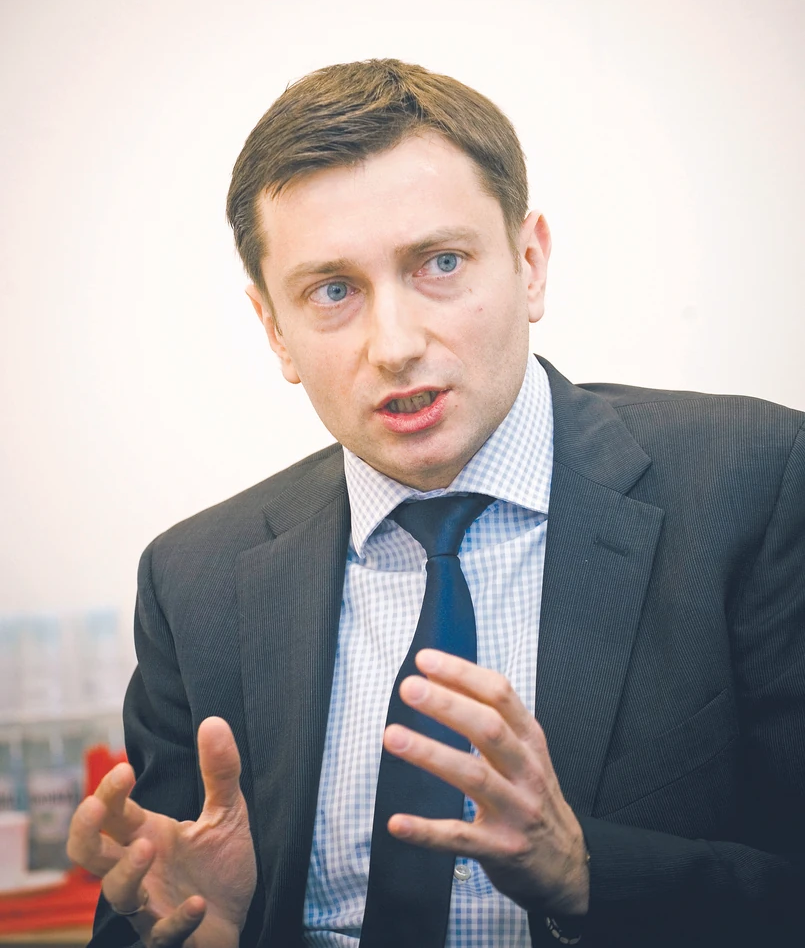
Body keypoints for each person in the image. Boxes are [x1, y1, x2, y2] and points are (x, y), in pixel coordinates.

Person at [67, 59, 805, 948]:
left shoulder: (756, 482)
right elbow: (151, 898)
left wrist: (587, 873)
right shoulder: (192, 579)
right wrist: (212, 933)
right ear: (274, 330)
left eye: (440, 263)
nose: (395, 344)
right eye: (332, 290)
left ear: (529, 264)